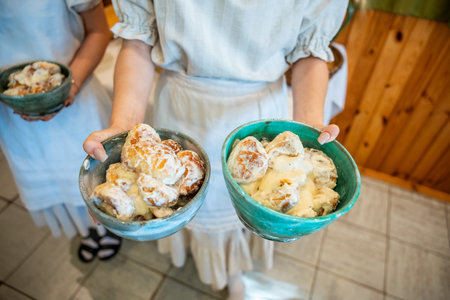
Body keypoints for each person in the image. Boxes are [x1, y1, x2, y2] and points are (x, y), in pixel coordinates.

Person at [83, 0, 348, 297]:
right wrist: (124, 127)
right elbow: (138, 40)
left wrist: (309, 127)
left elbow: (309, 51)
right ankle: (209, 267)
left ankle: (235, 273)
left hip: (259, 120)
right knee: (183, 201)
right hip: (183, 108)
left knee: (253, 206)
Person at [0, 0, 121, 263]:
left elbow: (99, 30)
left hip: (74, 99)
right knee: (57, 185)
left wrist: (68, 88)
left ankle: (110, 226)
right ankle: (89, 229)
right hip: (12, 115)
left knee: (94, 178)